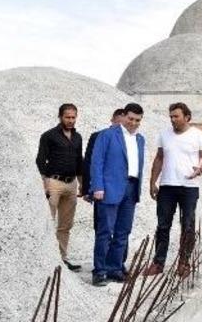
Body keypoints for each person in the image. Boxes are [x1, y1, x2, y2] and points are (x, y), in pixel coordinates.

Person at [143, 103, 202, 277]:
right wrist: (153, 182)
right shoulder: (164, 135)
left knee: (188, 226)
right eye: (171, 116)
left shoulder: (198, 135)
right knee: (163, 225)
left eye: (176, 116)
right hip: (167, 186)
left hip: (189, 187)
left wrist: (200, 169)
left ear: (187, 117)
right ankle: (158, 263)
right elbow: (159, 159)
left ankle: (184, 263)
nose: (173, 119)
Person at [90, 103, 146, 286]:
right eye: (130, 119)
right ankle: (99, 271)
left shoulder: (140, 139)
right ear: (123, 117)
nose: (133, 123)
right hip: (109, 189)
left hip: (131, 189)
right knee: (105, 231)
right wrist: (97, 187)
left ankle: (115, 268)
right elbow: (96, 162)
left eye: (137, 120)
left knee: (123, 232)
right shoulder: (107, 135)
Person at [36, 103, 84, 272]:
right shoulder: (48, 136)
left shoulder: (77, 138)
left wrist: (82, 184)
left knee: (65, 225)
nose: (71, 120)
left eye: (73, 117)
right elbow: (40, 161)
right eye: (67, 117)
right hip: (53, 183)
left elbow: (80, 162)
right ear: (60, 117)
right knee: (47, 222)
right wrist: (45, 183)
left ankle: (62, 259)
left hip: (71, 184)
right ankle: (45, 259)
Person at [81, 108, 126, 201]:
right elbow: (88, 162)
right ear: (112, 121)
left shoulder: (130, 140)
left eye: (123, 124)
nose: (120, 127)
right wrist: (86, 189)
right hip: (102, 189)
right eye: (118, 123)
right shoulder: (98, 136)